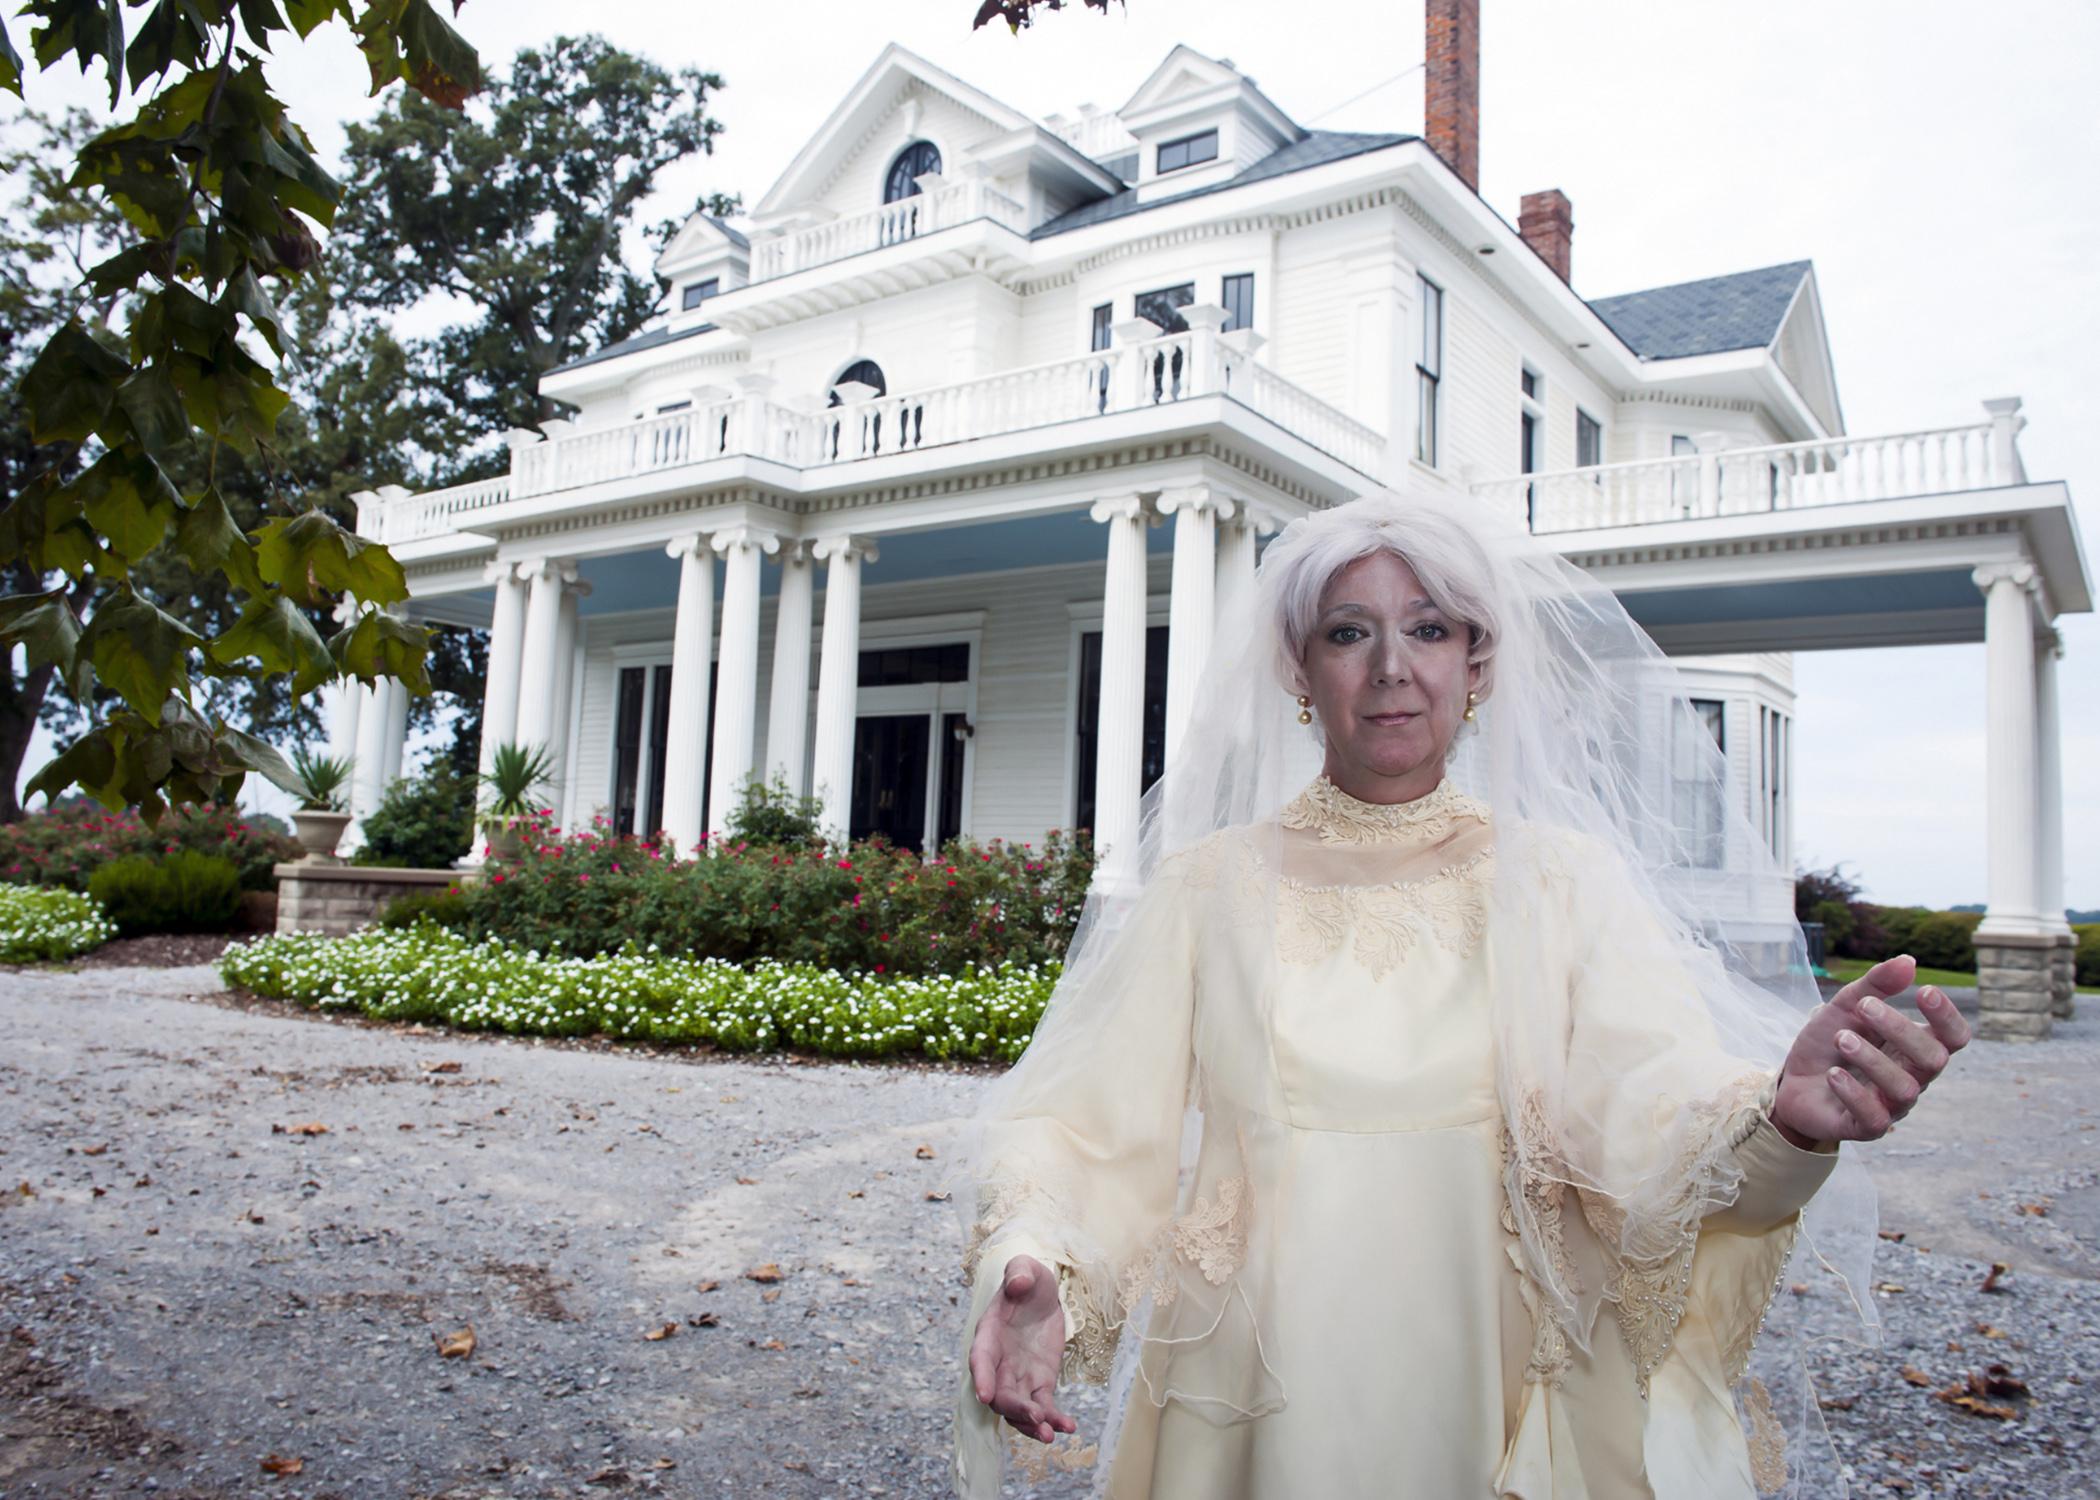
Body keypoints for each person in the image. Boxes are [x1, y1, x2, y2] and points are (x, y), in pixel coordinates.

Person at [946, 487, 1965, 1499]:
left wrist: (1782, 1122)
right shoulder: (1208, 888)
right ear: (1300, 669)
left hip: (1495, 1378)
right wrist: (1034, 1259)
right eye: (1351, 632)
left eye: (1427, 630)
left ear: (1475, 665)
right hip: (1255, 1395)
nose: (1392, 668)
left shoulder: (1561, 883)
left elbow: (1654, 1100)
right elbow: (1084, 1124)